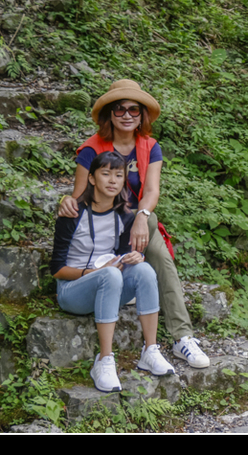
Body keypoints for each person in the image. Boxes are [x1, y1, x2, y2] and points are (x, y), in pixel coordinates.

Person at [57, 79, 210, 370]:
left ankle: (182, 338)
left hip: (136, 223)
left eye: (134, 110)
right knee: (160, 257)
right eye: (120, 109)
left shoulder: (149, 146)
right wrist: (65, 200)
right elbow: (80, 196)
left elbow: (151, 191)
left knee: (151, 231)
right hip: (104, 226)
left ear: (143, 116)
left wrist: (141, 217)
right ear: (109, 115)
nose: (127, 115)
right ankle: (179, 336)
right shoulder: (91, 149)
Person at [50, 150, 176, 393]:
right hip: (73, 292)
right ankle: (104, 360)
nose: (112, 180)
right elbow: (57, 270)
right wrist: (93, 273)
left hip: (109, 284)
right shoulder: (72, 214)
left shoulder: (125, 216)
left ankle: (150, 350)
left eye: (118, 175)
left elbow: (120, 256)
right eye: (105, 174)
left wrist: (132, 257)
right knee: (109, 274)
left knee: (145, 269)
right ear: (92, 178)